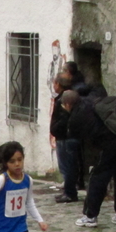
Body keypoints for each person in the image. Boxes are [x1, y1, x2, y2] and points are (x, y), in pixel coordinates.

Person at [75, 96, 116, 228]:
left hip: (111, 145)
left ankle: (90, 216)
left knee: (98, 179)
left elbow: (90, 141)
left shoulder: (84, 115)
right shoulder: (102, 104)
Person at [51, 73, 79, 203]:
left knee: (68, 167)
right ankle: (68, 191)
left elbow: (64, 120)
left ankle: (70, 193)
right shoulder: (63, 98)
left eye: (55, 83)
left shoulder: (65, 100)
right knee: (68, 167)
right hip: (63, 137)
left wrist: (56, 128)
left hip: (65, 138)